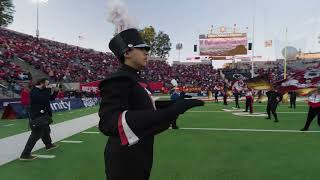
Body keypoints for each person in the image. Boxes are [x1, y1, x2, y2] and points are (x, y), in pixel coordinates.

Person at [98, 28, 204, 180]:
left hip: (141, 151)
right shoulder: (118, 79)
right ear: (127, 53)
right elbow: (109, 122)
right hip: (124, 159)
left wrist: (175, 103)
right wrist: (170, 112)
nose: (147, 52)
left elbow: (144, 108)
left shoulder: (137, 78)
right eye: (142, 49)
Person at [20, 78, 59, 160]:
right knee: (36, 135)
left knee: (46, 130)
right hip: (37, 116)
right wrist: (48, 89)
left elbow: (50, 98)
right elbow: (43, 99)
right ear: (42, 83)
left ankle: (49, 145)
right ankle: (25, 154)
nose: (48, 85)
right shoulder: (34, 91)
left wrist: (55, 91)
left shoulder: (42, 90)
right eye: (47, 83)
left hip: (43, 115)